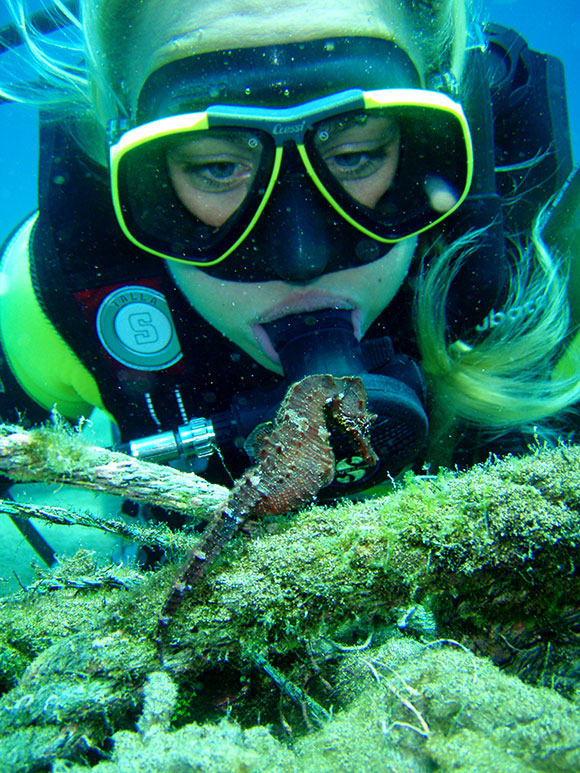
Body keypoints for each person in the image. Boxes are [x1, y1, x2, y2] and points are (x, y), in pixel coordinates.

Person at [0, 0, 579, 575]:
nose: (301, 260)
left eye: (357, 154)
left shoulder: (544, 275)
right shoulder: (51, 302)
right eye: (216, 167)